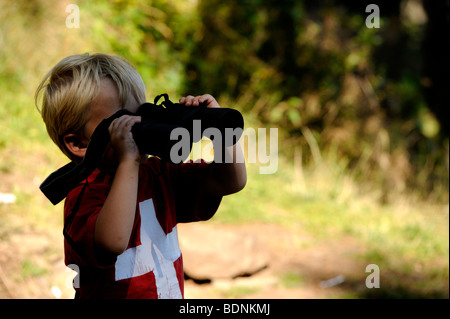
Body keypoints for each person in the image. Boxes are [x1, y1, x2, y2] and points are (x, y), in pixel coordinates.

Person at [35, 53, 247, 299]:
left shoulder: (157, 174)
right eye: (123, 121)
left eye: (142, 114)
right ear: (79, 144)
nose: (140, 125)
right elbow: (113, 241)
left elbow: (230, 181)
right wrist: (129, 161)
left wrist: (217, 127)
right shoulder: (84, 193)